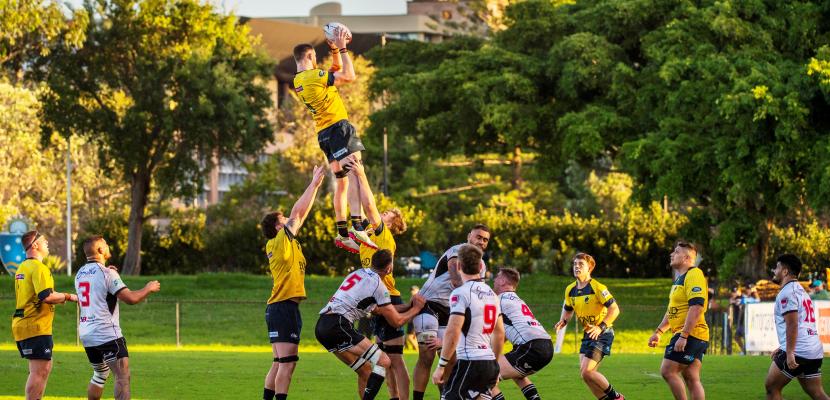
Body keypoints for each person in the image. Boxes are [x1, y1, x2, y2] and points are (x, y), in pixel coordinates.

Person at [292, 27, 375, 253]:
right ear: (310, 56)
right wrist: (343, 47)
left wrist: (335, 52)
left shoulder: (300, 80)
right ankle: (358, 224)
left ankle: (342, 232)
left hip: (325, 135)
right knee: (356, 171)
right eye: (316, 57)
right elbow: (349, 76)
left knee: (342, 182)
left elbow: (334, 70)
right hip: (338, 129)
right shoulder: (313, 76)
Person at [315, 249, 426, 400]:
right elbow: (396, 321)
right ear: (389, 268)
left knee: (365, 370)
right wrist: (417, 309)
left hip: (323, 325)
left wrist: (408, 305)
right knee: (384, 361)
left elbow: (378, 310)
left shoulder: (358, 273)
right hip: (338, 325)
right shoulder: (378, 286)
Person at [345, 158, 410, 400]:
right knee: (386, 358)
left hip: (388, 298)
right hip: (373, 299)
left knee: (395, 358)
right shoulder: (368, 236)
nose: (382, 214)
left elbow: (369, 206)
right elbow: (356, 206)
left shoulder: (383, 236)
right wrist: (350, 175)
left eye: (388, 215)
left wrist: (361, 174)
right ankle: (394, 397)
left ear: (392, 224)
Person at [261, 166, 325, 400]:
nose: (288, 221)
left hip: (283, 307)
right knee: (287, 364)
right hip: (283, 306)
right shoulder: (279, 241)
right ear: (279, 227)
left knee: (280, 363)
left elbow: (301, 214)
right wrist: (313, 184)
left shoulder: (288, 243)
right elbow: (297, 214)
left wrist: (314, 190)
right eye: (283, 220)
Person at [75, 236, 161, 400]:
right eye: (106, 244)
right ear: (100, 250)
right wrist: (148, 288)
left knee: (100, 374)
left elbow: (99, 290)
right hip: (106, 333)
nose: (108, 246)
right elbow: (131, 298)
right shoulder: (108, 273)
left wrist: (111, 272)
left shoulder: (80, 274)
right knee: (122, 376)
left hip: (86, 333)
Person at [412, 225, 491, 400]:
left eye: (485, 240)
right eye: (478, 237)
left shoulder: (482, 265)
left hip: (451, 310)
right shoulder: (458, 250)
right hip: (429, 305)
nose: (481, 242)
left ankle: (445, 397)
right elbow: (456, 279)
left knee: (450, 359)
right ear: (469, 236)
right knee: (427, 354)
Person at [431, 244, 503, 400]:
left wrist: (441, 366)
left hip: (470, 361)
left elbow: (453, 330)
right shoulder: (492, 295)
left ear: (458, 266)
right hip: (489, 362)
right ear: (480, 266)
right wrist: (495, 364)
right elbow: (499, 333)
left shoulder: (460, 293)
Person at [12, 230, 78, 400]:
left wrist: (58, 297)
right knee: (40, 371)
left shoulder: (23, 266)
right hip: (35, 326)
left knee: (42, 368)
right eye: (44, 241)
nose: (47, 243)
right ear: (35, 245)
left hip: (24, 324)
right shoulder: (39, 267)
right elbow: (46, 296)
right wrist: (69, 296)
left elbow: (42, 294)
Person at [555, 253, 624, 400]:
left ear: (590, 268)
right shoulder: (570, 289)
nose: (577, 267)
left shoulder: (598, 287)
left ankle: (617, 397)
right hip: (588, 335)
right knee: (587, 376)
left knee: (587, 372)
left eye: (581, 264)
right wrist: (564, 321)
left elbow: (615, 309)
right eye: (575, 264)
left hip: (603, 334)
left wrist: (601, 327)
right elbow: (568, 309)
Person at [648, 241, 708, 400]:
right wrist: (659, 332)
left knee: (667, 371)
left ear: (687, 258)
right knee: (691, 377)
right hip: (695, 334)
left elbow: (696, 307)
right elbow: (671, 312)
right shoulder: (679, 280)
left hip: (691, 333)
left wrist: (684, 335)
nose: (671, 254)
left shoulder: (694, 274)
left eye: (676, 252)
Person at [764, 254, 829, 400]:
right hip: (813, 350)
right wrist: (783, 347)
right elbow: (800, 324)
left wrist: (789, 352)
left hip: (799, 351)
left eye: (777, 267)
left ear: (785, 271)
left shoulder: (787, 292)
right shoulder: (801, 291)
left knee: (771, 387)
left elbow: (792, 324)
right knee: (816, 392)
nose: (774, 271)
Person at [491, 268, 552, 400]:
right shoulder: (518, 300)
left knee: (484, 376)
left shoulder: (498, 300)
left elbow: (491, 331)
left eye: (497, 277)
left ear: (502, 281)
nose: (494, 280)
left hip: (531, 347)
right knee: (518, 376)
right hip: (546, 345)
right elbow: (507, 332)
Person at [405, 286, 420, 351]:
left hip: (414, 320)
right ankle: (417, 349)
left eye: (413, 290)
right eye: (411, 290)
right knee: (412, 337)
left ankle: (418, 350)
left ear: (417, 290)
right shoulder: (413, 298)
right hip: (411, 320)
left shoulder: (417, 298)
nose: (412, 291)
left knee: (410, 336)